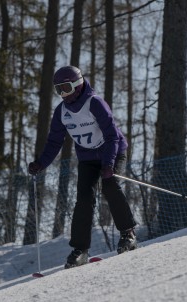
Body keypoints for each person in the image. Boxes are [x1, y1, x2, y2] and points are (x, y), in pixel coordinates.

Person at [28, 65, 137, 269]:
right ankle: (80, 250)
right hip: (87, 157)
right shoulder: (62, 111)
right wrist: (40, 163)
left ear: (78, 85)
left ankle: (128, 234)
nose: (63, 94)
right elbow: (54, 142)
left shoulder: (94, 103)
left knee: (110, 186)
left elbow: (112, 136)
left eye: (66, 88)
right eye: (58, 90)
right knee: (84, 198)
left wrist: (109, 164)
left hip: (111, 151)